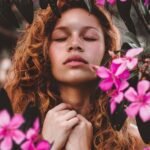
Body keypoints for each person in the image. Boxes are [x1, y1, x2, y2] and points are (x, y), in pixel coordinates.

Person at [5, 0, 145, 149]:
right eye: (61, 38)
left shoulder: (137, 143)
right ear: (43, 52)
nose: (75, 44)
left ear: (107, 52)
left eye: (89, 37)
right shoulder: (11, 134)